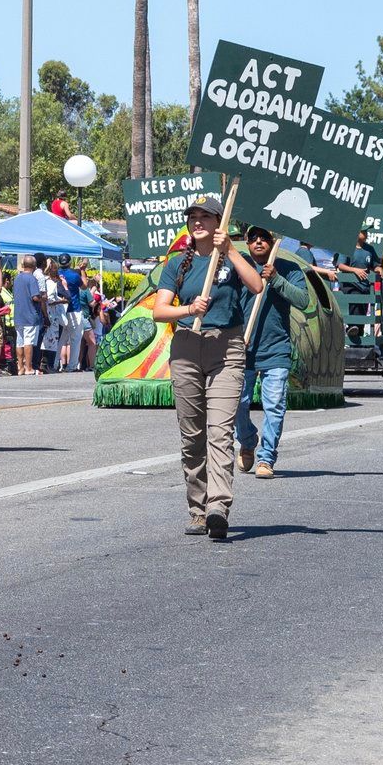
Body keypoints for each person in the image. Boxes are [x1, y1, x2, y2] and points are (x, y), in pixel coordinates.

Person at [142, 195, 262, 540]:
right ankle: (197, 508)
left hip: (226, 347)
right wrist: (189, 309)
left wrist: (233, 252)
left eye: (205, 217)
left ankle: (217, 507)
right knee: (192, 434)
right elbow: (159, 311)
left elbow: (256, 286)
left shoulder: (231, 259)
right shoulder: (178, 264)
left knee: (220, 431)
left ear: (218, 223)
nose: (197, 222)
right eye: (192, 217)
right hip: (186, 347)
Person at [232, 225, 312, 479]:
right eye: (253, 237)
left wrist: (276, 279)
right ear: (246, 241)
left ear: (273, 241)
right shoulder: (239, 267)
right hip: (242, 348)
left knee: (274, 405)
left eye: (264, 237)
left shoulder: (289, 269)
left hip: (276, 350)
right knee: (237, 403)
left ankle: (266, 458)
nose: (258, 241)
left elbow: (302, 300)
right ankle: (247, 440)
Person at [10, 254, 47, 375]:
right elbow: (35, 297)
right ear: (35, 266)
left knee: (19, 342)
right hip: (30, 315)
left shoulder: (17, 278)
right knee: (28, 342)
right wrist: (44, 298)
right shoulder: (32, 279)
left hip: (19, 315)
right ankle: (28, 367)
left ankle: (20, 367)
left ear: (23, 265)